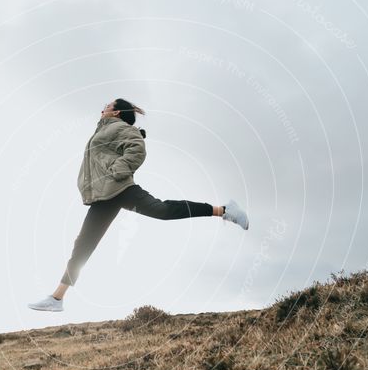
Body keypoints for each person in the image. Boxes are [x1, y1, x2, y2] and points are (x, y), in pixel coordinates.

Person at [28, 98, 249, 312]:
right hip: (104, 196)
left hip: (120, 189)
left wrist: (118, 171)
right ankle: (57, 299)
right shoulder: (103, 129)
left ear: (115, 112)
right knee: (83, 244)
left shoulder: (121, 127)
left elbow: (136, 148)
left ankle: (225, 211)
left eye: (107, 105)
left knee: (161, 210)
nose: (102, 107)